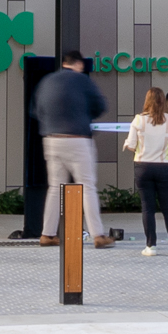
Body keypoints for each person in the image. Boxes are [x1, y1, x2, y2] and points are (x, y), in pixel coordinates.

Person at [33, 50, 113, 249]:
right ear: (78, 64)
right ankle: (98, 235)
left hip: (51, 140)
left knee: (54, 188)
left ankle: (48, 234)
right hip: (77, 139)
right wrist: (84, 115)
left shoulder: (47, 81)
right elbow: (100, 105)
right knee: (87, 186)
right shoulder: (82, 80)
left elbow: (36, 110)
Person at [125, 85, 168, 253]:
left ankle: (150, 245)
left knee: (148, 207)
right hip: (164, 167)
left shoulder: (138, 120)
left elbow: (131, 145)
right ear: (163, 102)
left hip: (143, 166)